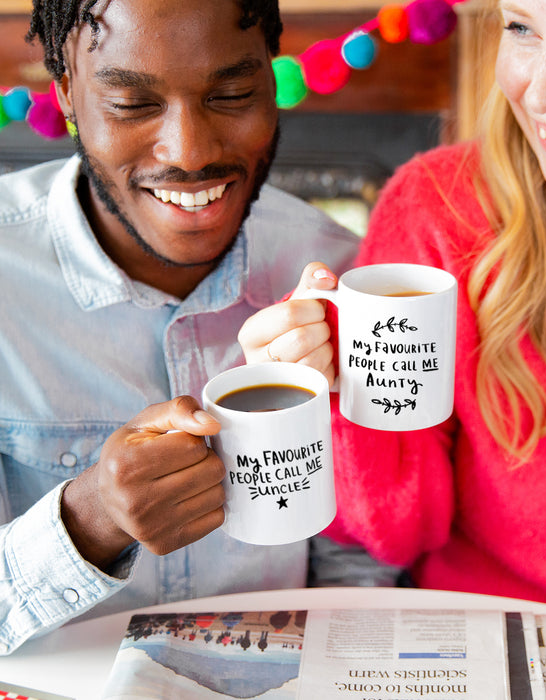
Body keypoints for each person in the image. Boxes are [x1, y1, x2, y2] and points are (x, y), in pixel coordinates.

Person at [239, 0, 546, 638]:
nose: (538, 91)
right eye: (520, 29)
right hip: (467, 644)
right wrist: (348, 394)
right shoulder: (438, 210)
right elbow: (393, 533)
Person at [0, 0, 402, 657]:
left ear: (274, 83)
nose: (189, 151)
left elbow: (359, 563)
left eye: (233, 93)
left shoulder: (337, 271)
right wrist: (92, 517)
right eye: (132, 103)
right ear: (67, 92)